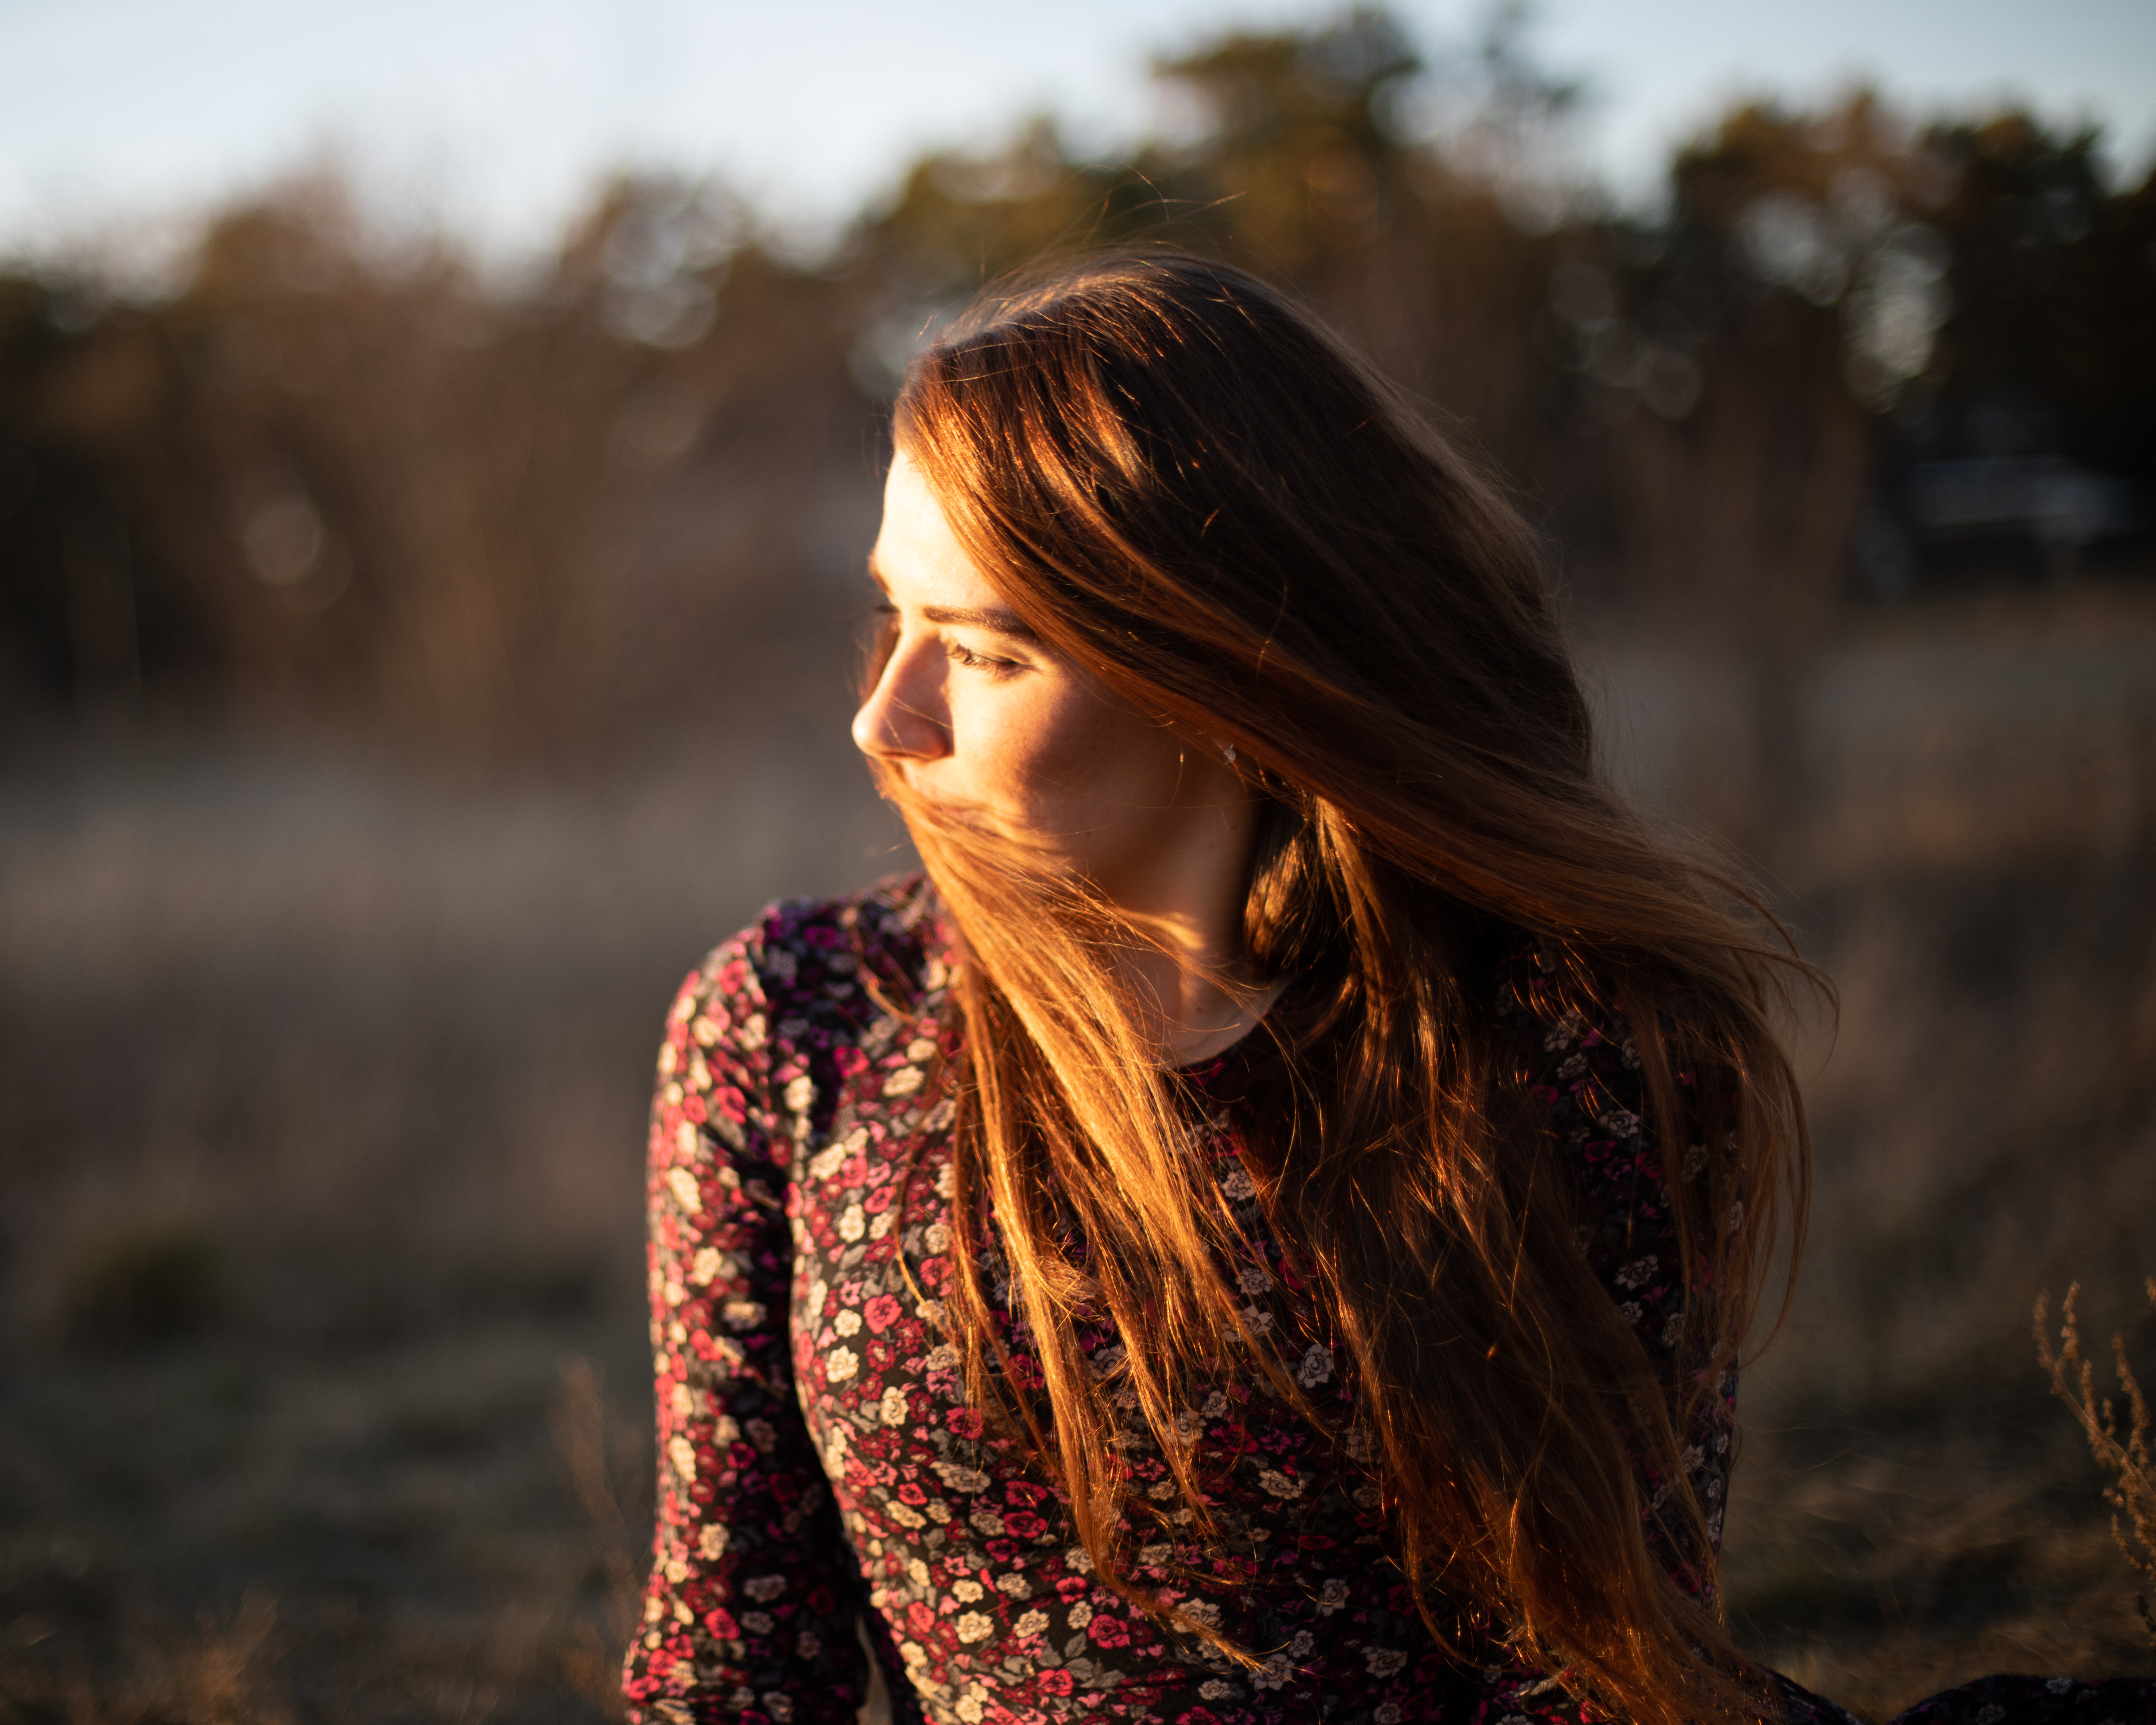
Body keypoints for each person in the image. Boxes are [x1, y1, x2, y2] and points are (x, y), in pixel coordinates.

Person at [620, 253, 2153, 1725]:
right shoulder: (801, 1021)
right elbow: (736, 1662)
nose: (887, 720)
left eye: (985, 651)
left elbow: (1595, 1661)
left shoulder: (1567, 1048)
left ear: (1225, 677)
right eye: (894, 620)